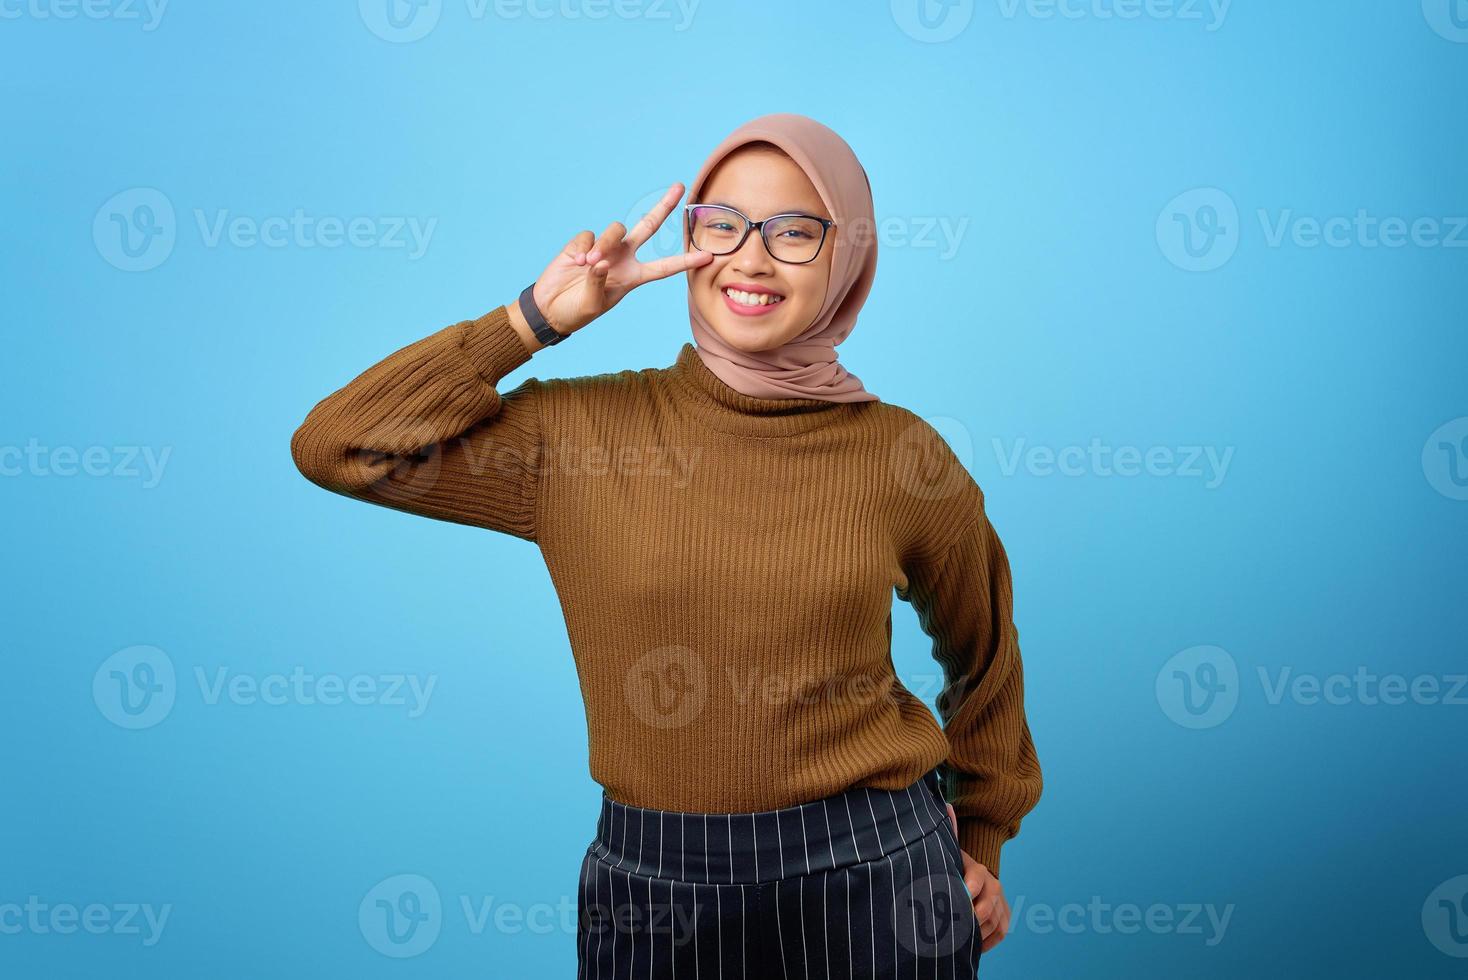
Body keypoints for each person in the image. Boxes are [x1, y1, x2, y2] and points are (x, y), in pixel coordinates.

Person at [290, 112, 1042, 978]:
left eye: (795, 232)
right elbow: (338, 445)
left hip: (877, 872)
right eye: (722, 225)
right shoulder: (576, 434)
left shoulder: (904, 454)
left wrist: (981, 838)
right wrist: (533, 320)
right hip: (655, 890)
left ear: (846, 257)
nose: (750, 260)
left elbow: (985, 657)